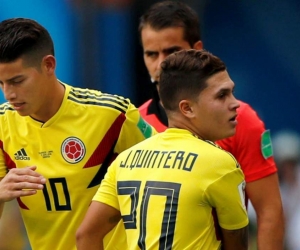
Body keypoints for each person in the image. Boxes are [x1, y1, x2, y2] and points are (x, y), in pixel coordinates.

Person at [137, 2, 284, 249]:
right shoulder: (135, 122)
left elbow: (269, 210)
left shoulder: (239, 118)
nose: (161, 64)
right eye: (151, 53)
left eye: (172, 51)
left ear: (196, 49)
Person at [0, 18, 156, 250]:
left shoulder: (113, 115)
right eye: (1, 83)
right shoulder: (2, 125)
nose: (9, 94)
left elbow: (168, 173)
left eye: (17, 81)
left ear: (49, 65)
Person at [76, 49, 249, 250]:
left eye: (231, 92)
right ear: (187, 108)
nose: (235, 103)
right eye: (222, 95)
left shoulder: (125, 160)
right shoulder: (220, 164)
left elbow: (85, 235)